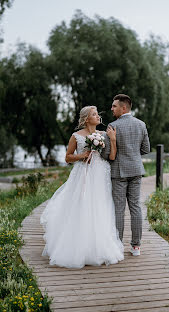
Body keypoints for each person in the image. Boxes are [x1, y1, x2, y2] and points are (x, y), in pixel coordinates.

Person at [40, 106, 124, 268]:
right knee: (82, 206)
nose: (98, 116)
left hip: (101, 175)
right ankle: (77, 248)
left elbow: (112, 156)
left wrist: (112, 140)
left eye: (97, 114)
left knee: (101, 208)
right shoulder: (76, 137)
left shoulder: (104, 135)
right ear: (86, 119)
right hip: (83, 174)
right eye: (94, 114)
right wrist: (81, 156)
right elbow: (67, 157)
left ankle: (99, 247)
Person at [102, 94, 150, 256]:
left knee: (119, 209)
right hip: (136, 170)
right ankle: (136, 247)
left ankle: (118, 245)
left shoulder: (112, 126)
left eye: (114, 106)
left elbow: (107, 153)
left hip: (119, 172)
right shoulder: (141, 124)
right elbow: (146, 150)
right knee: (136, 207)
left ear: (124, 108)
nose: (111, 108)